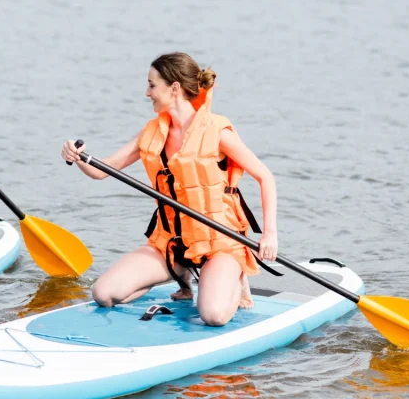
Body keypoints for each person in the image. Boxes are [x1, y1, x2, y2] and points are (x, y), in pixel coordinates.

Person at [60, 52, 278, 326]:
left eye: (152, 85)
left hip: (220, 244)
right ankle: (181, 274)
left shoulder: (217, 132)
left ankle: (235, 277)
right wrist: (77, 156)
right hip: (172, 244)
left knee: (213, 315)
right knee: (103, 294)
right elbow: (100, 171)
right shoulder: (152, 132)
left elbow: (265, 177)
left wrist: (270, 234)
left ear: (174, 88)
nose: (146, 93)